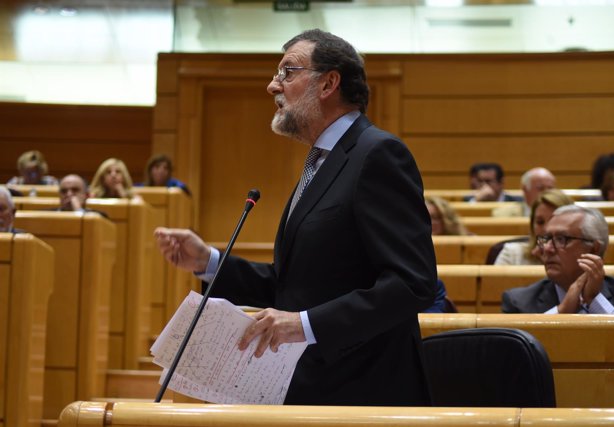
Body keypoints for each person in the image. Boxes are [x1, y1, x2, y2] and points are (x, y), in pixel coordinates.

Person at [155, 29, 437, 406]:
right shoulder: (321, 162)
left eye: (288, 71)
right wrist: (208, 261)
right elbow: (293, 285)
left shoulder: (378, 154)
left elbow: (411, 283)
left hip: (365, 392)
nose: (273, 85)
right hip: (313, 387)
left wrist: (303, 325)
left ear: (329, 83)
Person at [502, 205, 614, 313]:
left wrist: (594, 301)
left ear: (593, 249)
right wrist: (562, 311)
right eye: (547, 239)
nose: (548, 249)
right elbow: (522, 349)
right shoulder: (518, 302)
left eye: (562, 239)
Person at [494, 189, 573, 265]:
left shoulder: (577, 259)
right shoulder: (511, 254)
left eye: (554, 222)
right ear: (532, 226)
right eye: (540, 222)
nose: (546, 229)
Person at [492, 167, 556, 217]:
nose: (547, 193)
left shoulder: (560, 214)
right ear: (525, 189)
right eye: (540, 188)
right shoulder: (503, 214)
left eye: (550, 188)